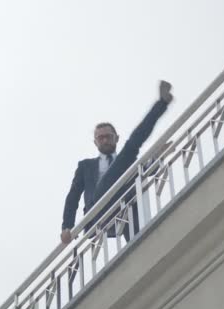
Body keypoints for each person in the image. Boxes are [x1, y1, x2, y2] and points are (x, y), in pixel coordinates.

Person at [61, 80, 174, 244]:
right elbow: (73, 197)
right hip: (99, 209)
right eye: (100, 138)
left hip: (125, 204)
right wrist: (67, 227)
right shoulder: (85, 166)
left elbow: (143, 172)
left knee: (132, 152)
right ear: (95, 142)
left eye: (108, 136)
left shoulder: (125, 162)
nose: (105, 140)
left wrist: (157, 158)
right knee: (131, 148)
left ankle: (163, 101)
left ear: (116, 138)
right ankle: (162, 103)